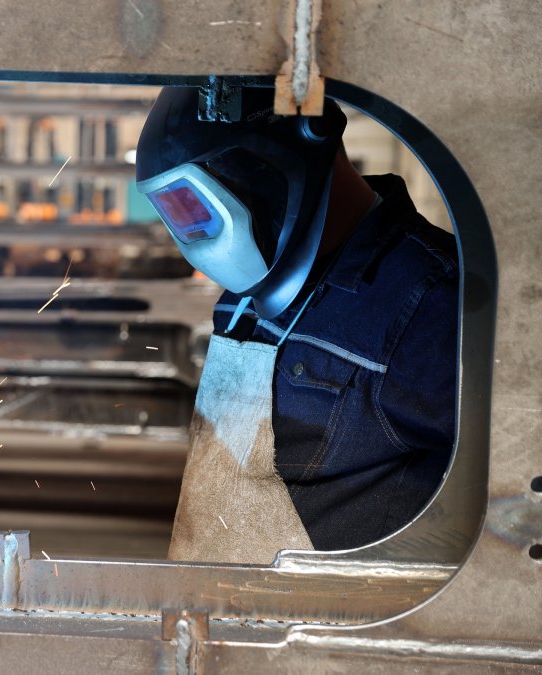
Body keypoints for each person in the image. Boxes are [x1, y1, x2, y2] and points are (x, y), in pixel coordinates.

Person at [134, 87, 458, 563]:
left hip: (331, 631)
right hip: (211, 617)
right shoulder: (240, 305)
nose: (198, 236)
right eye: (177, 215)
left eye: (197, 208)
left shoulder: (432, 304)